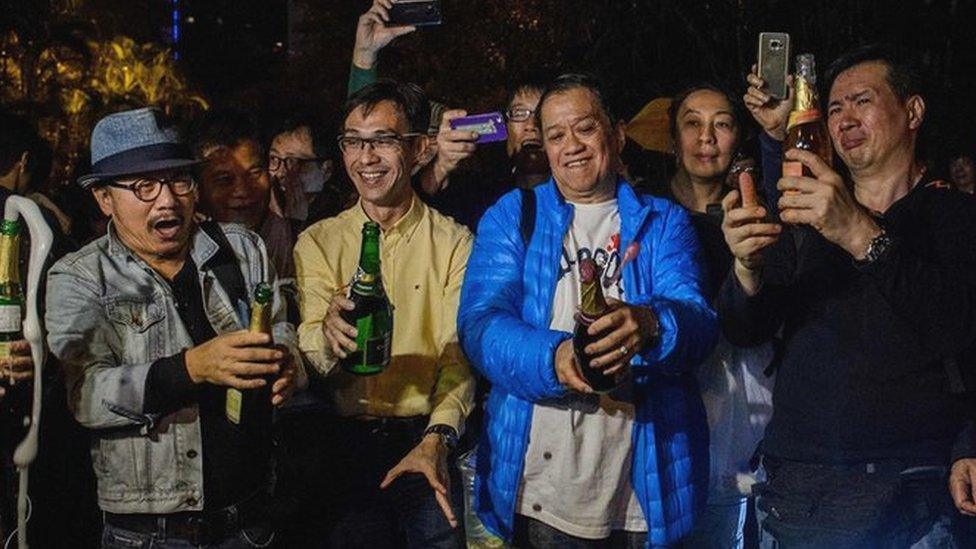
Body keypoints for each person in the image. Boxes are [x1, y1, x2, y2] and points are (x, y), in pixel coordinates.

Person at [722, 44, 976, 547]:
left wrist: (860, 234)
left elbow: (959, 327)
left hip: (909, 494)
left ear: (913, 112)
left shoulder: (956, 217)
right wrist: (747, 269)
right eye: (833, 108)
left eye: (861, 101)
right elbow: (746, 327)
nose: (844, 118)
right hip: (796, 489)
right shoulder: (804, 219)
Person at [458, 73, 717, 548]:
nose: (571, 145)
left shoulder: (663, 221)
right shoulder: (513, 215)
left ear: (616, 135)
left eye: (585, 128)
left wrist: (653, 323)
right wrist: (553, 359)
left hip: (640, 494)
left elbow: (698, 320)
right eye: (556, 135)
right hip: (542, 492)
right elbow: (481, 324)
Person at [46, 107, 304, 548]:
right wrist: (191, 368)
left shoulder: (241, 249)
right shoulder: (80, 277)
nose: (166, 200)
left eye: (178, 181)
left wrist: (287, 363)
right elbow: (86, 396)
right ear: (103, 198)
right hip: (151, 533)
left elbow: (280, 326)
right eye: (144, 186)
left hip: (251, 519)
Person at [293, 80, 474, 548]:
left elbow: (460, 357)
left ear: (419, 150)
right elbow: (309, 343)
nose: (365, 157)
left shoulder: (455, 243)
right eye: (353, 141)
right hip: (343, 446)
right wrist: (328, 339)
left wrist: (437, 439)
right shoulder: (318, 242)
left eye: (382, 141)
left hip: (426, 438)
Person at [657, 84, 774, 549]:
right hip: (664, 412)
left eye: (722, 123)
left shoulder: (757, 214)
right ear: (673, 139)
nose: (707, 137)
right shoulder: (644, 213)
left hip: (738, 416)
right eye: (692, 123)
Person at [186, 108, 296, 284]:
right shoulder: (180, 245)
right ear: (196, 187)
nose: (243, 191)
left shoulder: (291, 237)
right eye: (224, 180)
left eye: (254, 173)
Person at [267, 113, 347, 230]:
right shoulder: (260, 206)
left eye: (294, 162)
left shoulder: (339, 219)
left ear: (326, 170)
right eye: (274, 159)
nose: (281, 173)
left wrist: (294, 223)